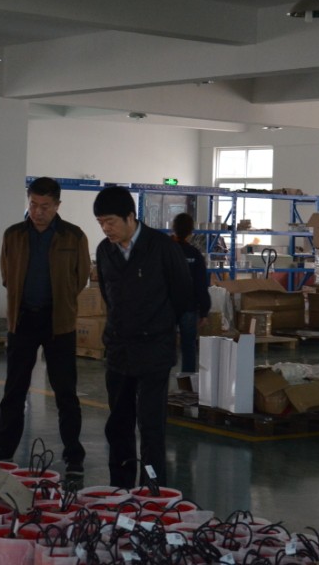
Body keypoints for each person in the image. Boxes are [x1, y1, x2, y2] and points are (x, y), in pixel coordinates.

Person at [93, 186, 193, 488]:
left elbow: (182, 295)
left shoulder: (162, 248)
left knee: (151, 427)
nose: (106, 228)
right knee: (119, 425)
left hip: (154, 351)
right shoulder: (105, 251)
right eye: (101, 223)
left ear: (130, 217)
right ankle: (120, 488)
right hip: (119, 350)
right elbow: (108, 296)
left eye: (110, 221)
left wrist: (158, 326)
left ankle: (151, 490)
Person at [0, 177, 91, 481]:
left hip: (59, 323)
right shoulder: (14, 235)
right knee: (14, 390)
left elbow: (81, 277)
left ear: (57, 205)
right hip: (22, 321)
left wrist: (60, 301)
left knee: (65, 393)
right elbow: (6, 274)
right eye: (33, 204)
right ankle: (3, 450)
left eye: (45, 206)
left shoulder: (73, 236)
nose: (38, 211)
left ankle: (73, 455)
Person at [171, 212, 211, 375]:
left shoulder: (164, 251)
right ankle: (187, 383)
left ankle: (159, 381)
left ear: (173, 229)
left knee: (164, 346)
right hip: (188, 307)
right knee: (188, 346)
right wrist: (204, 311)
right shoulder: (195, 254)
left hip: (166, 308)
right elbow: (201, 284)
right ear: (191, 232)